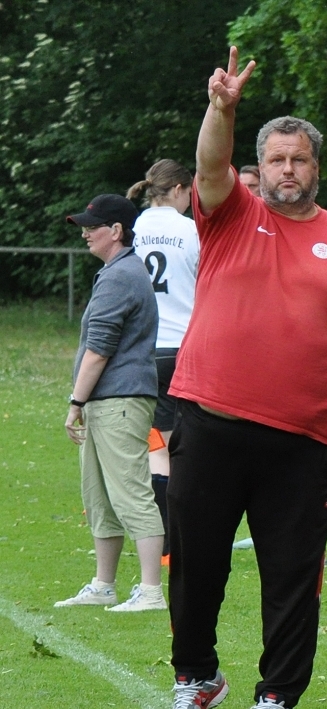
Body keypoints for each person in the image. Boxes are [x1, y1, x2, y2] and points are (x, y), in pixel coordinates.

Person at [164, 46, 327, 709]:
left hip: (301, 441)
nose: (287, 170)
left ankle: (276, 696)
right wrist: (222, 108)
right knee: (197, 566)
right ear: (261, 167)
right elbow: (211, 164)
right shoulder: (230, 215)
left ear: (316, 167)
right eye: (275, 159)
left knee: (292, 576)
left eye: (298, 159)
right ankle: (195, 678)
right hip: (208, 422)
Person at [56, 194, 167, 611]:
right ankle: (104, 584)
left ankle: (152, 591)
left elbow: (99, 349)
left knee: (131, 493)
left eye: (92, 226)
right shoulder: (116, 271)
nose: (85, 233)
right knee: (99, 495)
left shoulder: (120, 275)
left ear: (116, 231)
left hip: (120, 399)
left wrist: (75, 402)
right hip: (108, 400)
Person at [126, 160, 200, 559]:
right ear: (178, 189)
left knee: (151, 445)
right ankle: (174, 541)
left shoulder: (131, 227)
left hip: (137, 348)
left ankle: (158, 539)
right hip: (180, 347)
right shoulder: (192, 230)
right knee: (176, 448)